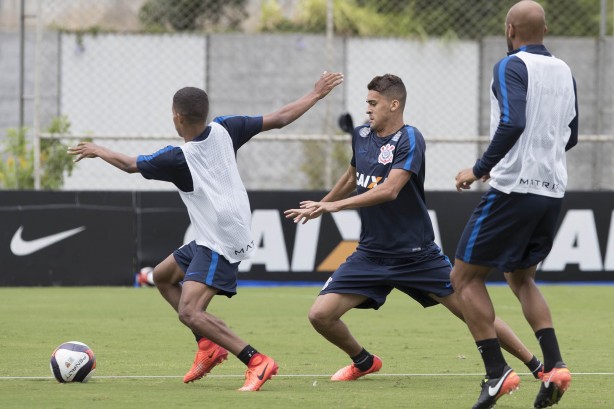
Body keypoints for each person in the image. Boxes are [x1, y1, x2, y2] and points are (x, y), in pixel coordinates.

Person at [67, 71, 344, 391]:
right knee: (162, 277)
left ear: (177, 117)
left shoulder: (177, 158)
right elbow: (281, 118)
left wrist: (98, 149)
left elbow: (130, 164)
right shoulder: (227, 127)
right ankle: (208, 346)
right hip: (216, 233)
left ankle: (256, 360)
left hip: (220, 241)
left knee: (189, 311)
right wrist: (315, 94)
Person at [284, 74, 543, 385]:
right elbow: (352, 176)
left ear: (394, 105)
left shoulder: (410, 139)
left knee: (473, 313)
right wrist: (320, 206)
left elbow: (391, 189)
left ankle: (536, 365)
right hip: (371, 255)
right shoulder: (361, 135)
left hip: (416, 256)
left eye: (373, 103)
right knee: (320, 316)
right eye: (367, 103)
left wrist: (334, 207)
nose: (368, 109)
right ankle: (364, 361)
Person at [451, 1, 578, 408]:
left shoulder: (510, 65)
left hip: (515, 190)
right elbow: (570, 135)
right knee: (521, 278)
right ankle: (554, 365)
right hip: (551, 191)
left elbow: (514, 121)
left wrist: (479, 167)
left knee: (464, 279)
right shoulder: (565, 70)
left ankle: (496, 372)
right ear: (546, 28)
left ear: (510, 29)